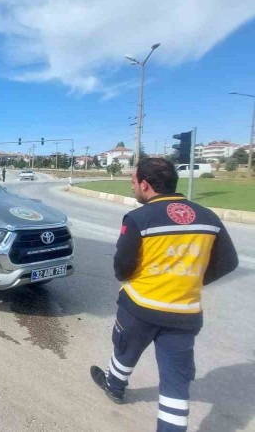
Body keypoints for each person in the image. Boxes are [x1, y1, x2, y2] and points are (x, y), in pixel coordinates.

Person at [90, 158, 238, 432]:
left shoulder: (139, 218)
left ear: (145, 185)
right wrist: (190, 280)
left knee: (125, 349)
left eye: (133, 182)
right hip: (185, 313)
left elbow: (122, 266)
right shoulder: (208, 217)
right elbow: (228, 262)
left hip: (140, 307)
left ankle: (114, 386)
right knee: (175, 384)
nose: (132, 186)